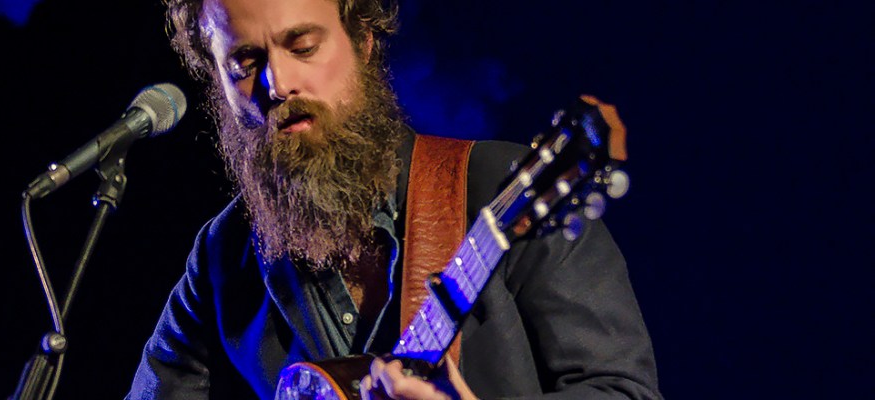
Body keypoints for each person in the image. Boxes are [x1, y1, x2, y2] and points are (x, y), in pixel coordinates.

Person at [126, 0, 662, 398]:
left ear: (363, 41)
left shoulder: (505, 187)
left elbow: (623, 392)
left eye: (303, 46)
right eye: (244, 62)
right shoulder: (224, 256)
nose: (277, 82)